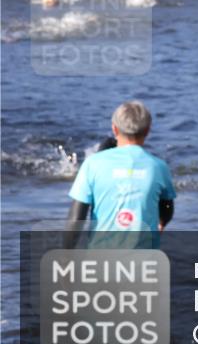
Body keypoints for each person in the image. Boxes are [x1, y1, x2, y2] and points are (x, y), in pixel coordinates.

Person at [64, 101, 176, 250]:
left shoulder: (92, 164)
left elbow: (76, 218)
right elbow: (167, 205)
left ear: (115, 129)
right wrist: (162, 223)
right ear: (148, 130)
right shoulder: (158, 167)